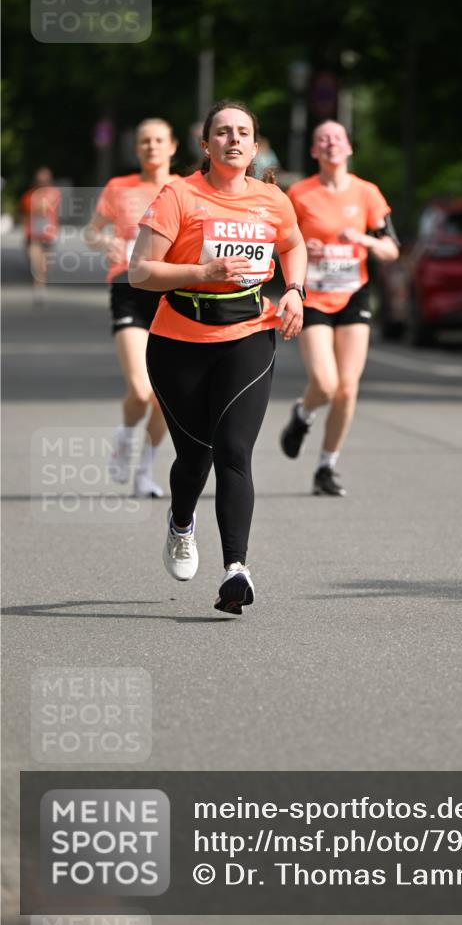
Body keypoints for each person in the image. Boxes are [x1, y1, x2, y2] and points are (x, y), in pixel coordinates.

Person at [129, 100, 307, 617]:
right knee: (195, 459)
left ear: (255, 147)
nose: (234, 140)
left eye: (243, 133)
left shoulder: (272, 199)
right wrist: (200, 274)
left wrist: (294, 290)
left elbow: (293, 244)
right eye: (223, 132)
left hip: (249, 333)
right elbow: (140, 271)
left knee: (234, 450)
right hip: (178, 340)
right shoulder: (178, 195)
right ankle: (181, 523)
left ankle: (236, 570)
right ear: (205, 145)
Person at [279, 120, 399, 496]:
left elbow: (391, 250)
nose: (331, 143)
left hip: (353, 295)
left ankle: (326, 468)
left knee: (347, 389)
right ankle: (303, 413)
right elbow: (283, 243)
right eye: (322, 139)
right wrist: (304, 248)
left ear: (348, 147)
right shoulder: (300, 193)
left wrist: (363, 239)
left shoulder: (367, 193)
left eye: (337, 138)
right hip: (313, 297)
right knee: (326, 384)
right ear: (314, 151)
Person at [85, 118, 178, 498]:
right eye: (145, 141)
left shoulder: (184, 188)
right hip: (128, 288)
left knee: (167, 398)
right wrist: (104, 242)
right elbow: (92, 231)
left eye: (158, 140)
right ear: (136, 148)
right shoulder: (119, 187)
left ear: (172, 146)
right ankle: (125, 439)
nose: (152, 146)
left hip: (171, 292)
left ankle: (144, 471)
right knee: (141, 391)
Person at [19, 167, 61, 305]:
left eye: (46, 181)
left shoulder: (54, 194)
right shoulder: (28, 196)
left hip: (48, 235)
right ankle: (39, 287)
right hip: (33, 235)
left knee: (44, 266)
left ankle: (40, 282)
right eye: (40, 181)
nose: (43, 183)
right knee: (36, 262)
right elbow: (25, 214)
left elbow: (49, 210)